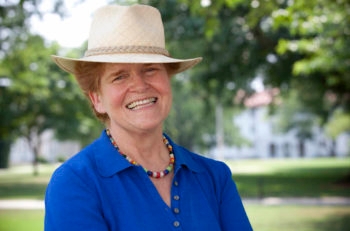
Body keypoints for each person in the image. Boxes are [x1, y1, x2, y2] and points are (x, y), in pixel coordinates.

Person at [45, 4, 252, 231]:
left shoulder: (215, 178)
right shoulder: (75, 183)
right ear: (97, 99)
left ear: (168, 80)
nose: (140, 85)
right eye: (119, 76)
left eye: (150, 69)